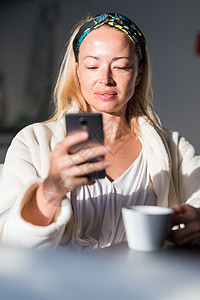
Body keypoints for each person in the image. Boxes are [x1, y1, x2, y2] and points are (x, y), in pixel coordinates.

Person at [0, 12, 200, 250]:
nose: (105, 79)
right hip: (57, 286)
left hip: (143, 285)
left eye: (121, 66)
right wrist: (51, 189)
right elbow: (10, 243)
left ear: (138, 74)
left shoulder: (173, 147)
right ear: (77, 72)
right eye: (93, 66)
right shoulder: (33, 142)